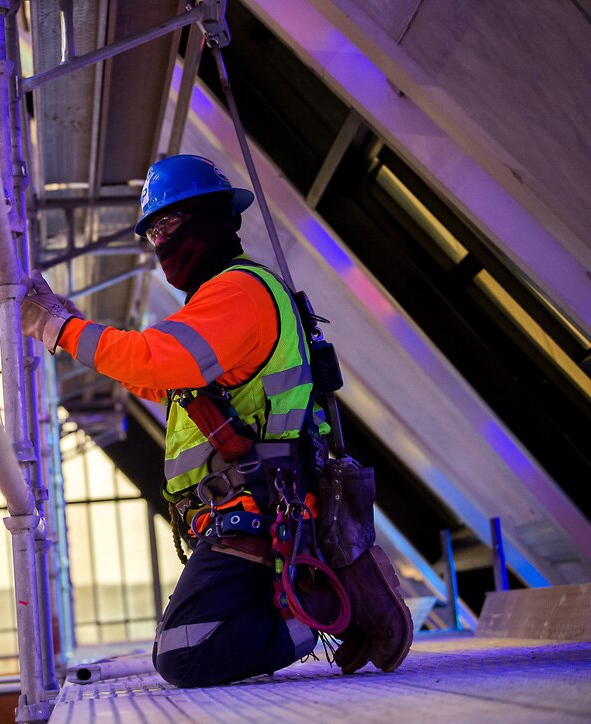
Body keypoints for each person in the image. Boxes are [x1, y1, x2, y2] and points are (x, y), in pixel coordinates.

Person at [21, 153, 413, 687]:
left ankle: (322, 611)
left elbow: (156, 359)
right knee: (186, 646)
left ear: (210, 217)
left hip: (260, 509)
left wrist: (60, 329)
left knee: (185, 655)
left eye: (168, 224)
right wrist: (72, 327)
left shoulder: (238, 293)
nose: (160, 241)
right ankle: (321, 604)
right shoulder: (227, 297)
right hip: (250, 509)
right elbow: (166, 380)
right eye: (152, 230)